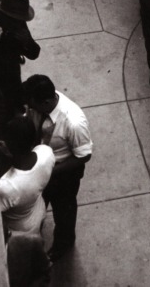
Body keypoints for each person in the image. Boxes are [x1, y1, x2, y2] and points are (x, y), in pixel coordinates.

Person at [24, 75, 93, 262]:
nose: (29, 109)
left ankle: (63, 243)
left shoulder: (74, 122)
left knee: (64, 212)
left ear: (46, 102)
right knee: (36, 206)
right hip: (40, 168)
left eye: (32, 105)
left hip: (62, 176)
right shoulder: (41, 105)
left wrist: (49, 172)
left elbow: (84, 155)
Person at [0, 0, 41, 116]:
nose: (20, 23)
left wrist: (27, 42)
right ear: (4, 15)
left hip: (13, 77)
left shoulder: (17, 24)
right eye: (17, 20)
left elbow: (34, 53)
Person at [0, 116, 55, 235]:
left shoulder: (6, 186)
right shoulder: (46, 153)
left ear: (8, 147)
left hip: (18, 232)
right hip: (38, 213)